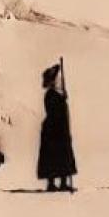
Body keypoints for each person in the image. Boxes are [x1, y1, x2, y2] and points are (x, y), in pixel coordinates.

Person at [37, 62, 77, 192]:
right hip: (54, 130)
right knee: (54, 156)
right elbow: (55, 113)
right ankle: (52, 183)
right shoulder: (51, 95)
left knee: (62, 155)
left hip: (59, 130)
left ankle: (63, 182)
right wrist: (62, 99)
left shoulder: (57, 94)